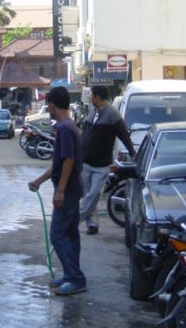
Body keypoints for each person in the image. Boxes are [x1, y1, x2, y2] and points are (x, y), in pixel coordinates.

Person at [28, 86, 86, 296]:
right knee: (70, 233)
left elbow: (69, 160)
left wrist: (60, 190)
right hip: (72, 185)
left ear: (52, 106)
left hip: (69, 188)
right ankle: (71, 275)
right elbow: (59, 163)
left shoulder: (64, 129)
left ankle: (75, 278)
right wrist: (39, 181)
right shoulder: (69, 126)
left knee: (57, 234)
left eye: (49, 107)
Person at [80, 85, 135, 235]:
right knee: (87, 194)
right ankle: (92, 224)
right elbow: (84, 134)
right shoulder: (92, 111)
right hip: (86, 161)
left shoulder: (112, 114)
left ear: (97, 97)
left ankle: (74, 219)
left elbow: (124, 135)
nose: (90, 98)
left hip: (102, 164)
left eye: (92, 95)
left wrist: (132, 152)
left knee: (94, 194)